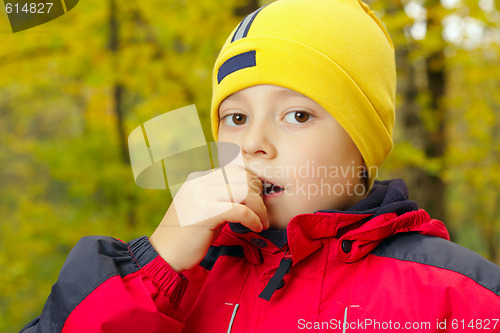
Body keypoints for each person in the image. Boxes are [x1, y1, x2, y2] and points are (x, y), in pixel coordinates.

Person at [21, 0, 500, 332]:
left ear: (363, 145)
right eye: (235, 117)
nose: (252, 142)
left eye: (297, 115)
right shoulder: (180, 281)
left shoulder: (457, 296)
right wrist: (155, 266)